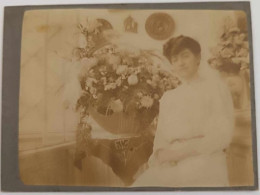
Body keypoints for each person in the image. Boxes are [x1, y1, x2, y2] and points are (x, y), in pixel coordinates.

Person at [131, 35, 234, 187]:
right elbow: (160, 138)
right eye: (175, 59)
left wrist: (179, 154)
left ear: (198, 58)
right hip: (171, 161)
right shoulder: (169, 97)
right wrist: (161, 155)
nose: (180, 63)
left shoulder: (215, 88)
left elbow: (221, 135)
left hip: (205, 159)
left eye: (185, 56)